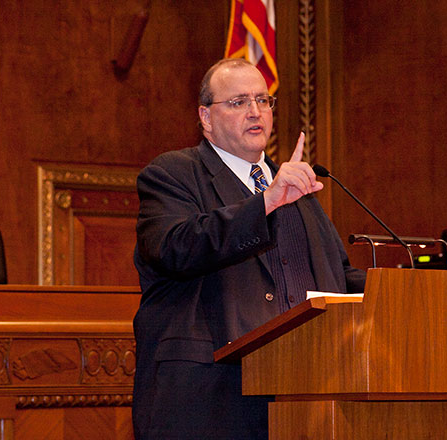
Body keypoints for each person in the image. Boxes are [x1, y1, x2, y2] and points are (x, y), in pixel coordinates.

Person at [132, 58, 366, 439]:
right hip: (209, 397)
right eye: (239, 102)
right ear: (206, 117)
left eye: (264, 100)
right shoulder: (172, 174)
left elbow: (336, 277)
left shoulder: (300, 190)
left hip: (302, 396)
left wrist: (396, 292)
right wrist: (266, 202)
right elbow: (176, 247)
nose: (256, 111)